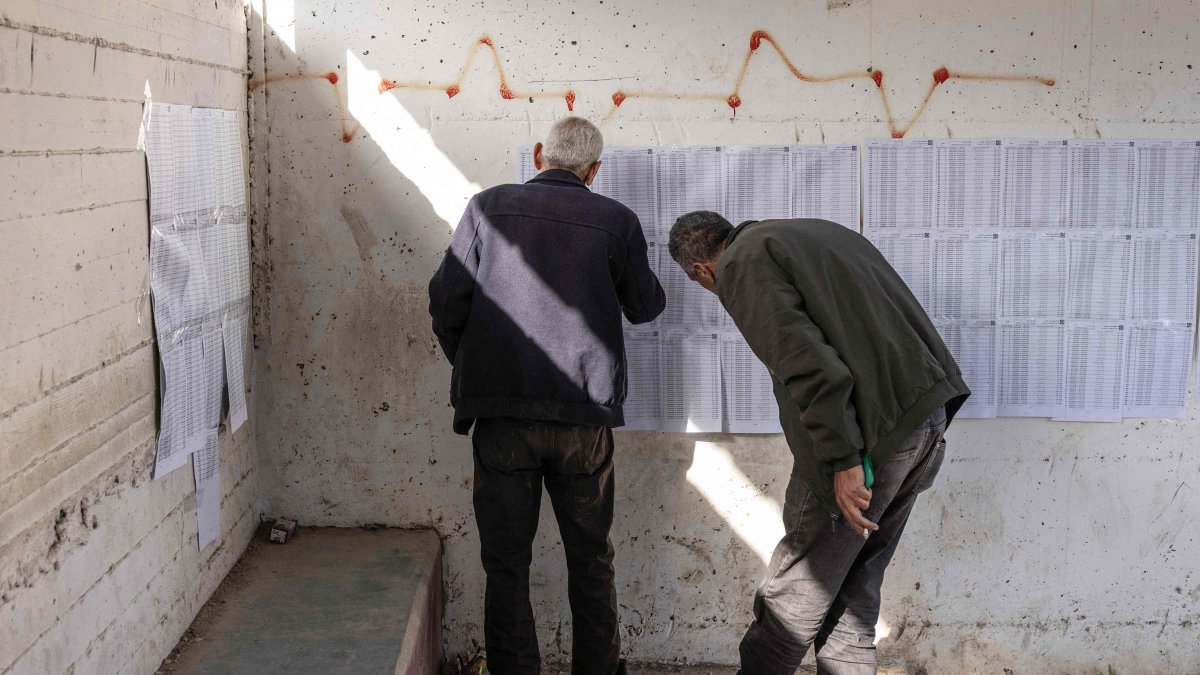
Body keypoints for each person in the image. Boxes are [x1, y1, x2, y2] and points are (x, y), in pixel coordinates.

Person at [667, 211, 970, 675]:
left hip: (867, 439)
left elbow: (807, 365)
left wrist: (844, 462)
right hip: (922, 418)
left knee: (796, 592)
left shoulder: (741, 264)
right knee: (854, 593)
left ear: (701, 271)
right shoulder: (809, 233)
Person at [428, 117, 665, 675]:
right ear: (594, 170)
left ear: (540, 154)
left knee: (506, 563)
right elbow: (646, 306)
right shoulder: (616, 220)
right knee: (591, 559)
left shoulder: (487, 208)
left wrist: (477, 368)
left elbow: (445, 301)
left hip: (502, 418)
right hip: (583, 422)